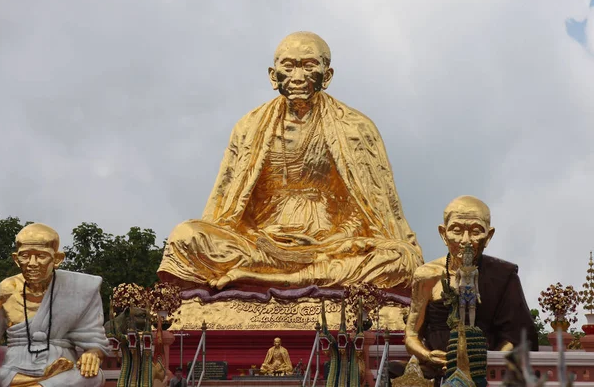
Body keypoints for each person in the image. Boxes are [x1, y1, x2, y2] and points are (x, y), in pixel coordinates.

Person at [157, 31, 423, 291]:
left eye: (309, 66)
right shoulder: (249, 127)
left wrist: (338, 238)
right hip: (261, 245)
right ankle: (281, 275)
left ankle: (267, 279)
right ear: (273, 76)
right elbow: (230, 209)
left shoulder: (355, 127)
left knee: (401, 258)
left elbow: (369, 209)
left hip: (330, 247)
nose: (298, 77)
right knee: (185, 236)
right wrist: (261, 239)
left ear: (327, 76)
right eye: (289, 66)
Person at [404, 196, 537, 377]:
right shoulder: (427, 275)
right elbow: (411, 335)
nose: (466, 240)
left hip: (484, 367)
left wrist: (490, 361)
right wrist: (428, 356)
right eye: (456, 230)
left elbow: (516, 335)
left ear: (488, 236)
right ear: (443, 234)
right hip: (436, 367)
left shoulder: (501, 276)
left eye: (476, 232)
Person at [0, 223, 110, 387]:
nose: (32, 263)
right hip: (14, 368)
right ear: (15, 258)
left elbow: (94, 340)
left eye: (41, 256)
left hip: (63, 367)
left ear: (57, 259)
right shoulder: (5, 290)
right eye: (25, 256)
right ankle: (40, 382)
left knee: (92, 376)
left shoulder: (79, 288)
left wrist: (93, 354)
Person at [456, 245, 481, 327]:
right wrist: (456, 288)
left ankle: (472, 326)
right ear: (462, 258)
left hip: (472, 290)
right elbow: (457, 280)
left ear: (472, 258)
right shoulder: (459, 270)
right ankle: (462, 325)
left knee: (472, 308)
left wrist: (478, 293)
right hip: (462, 290)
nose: (467, 259)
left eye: (469, 257)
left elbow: (476, 282)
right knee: (462, 307)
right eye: (466, 257)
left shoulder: (475, 270)